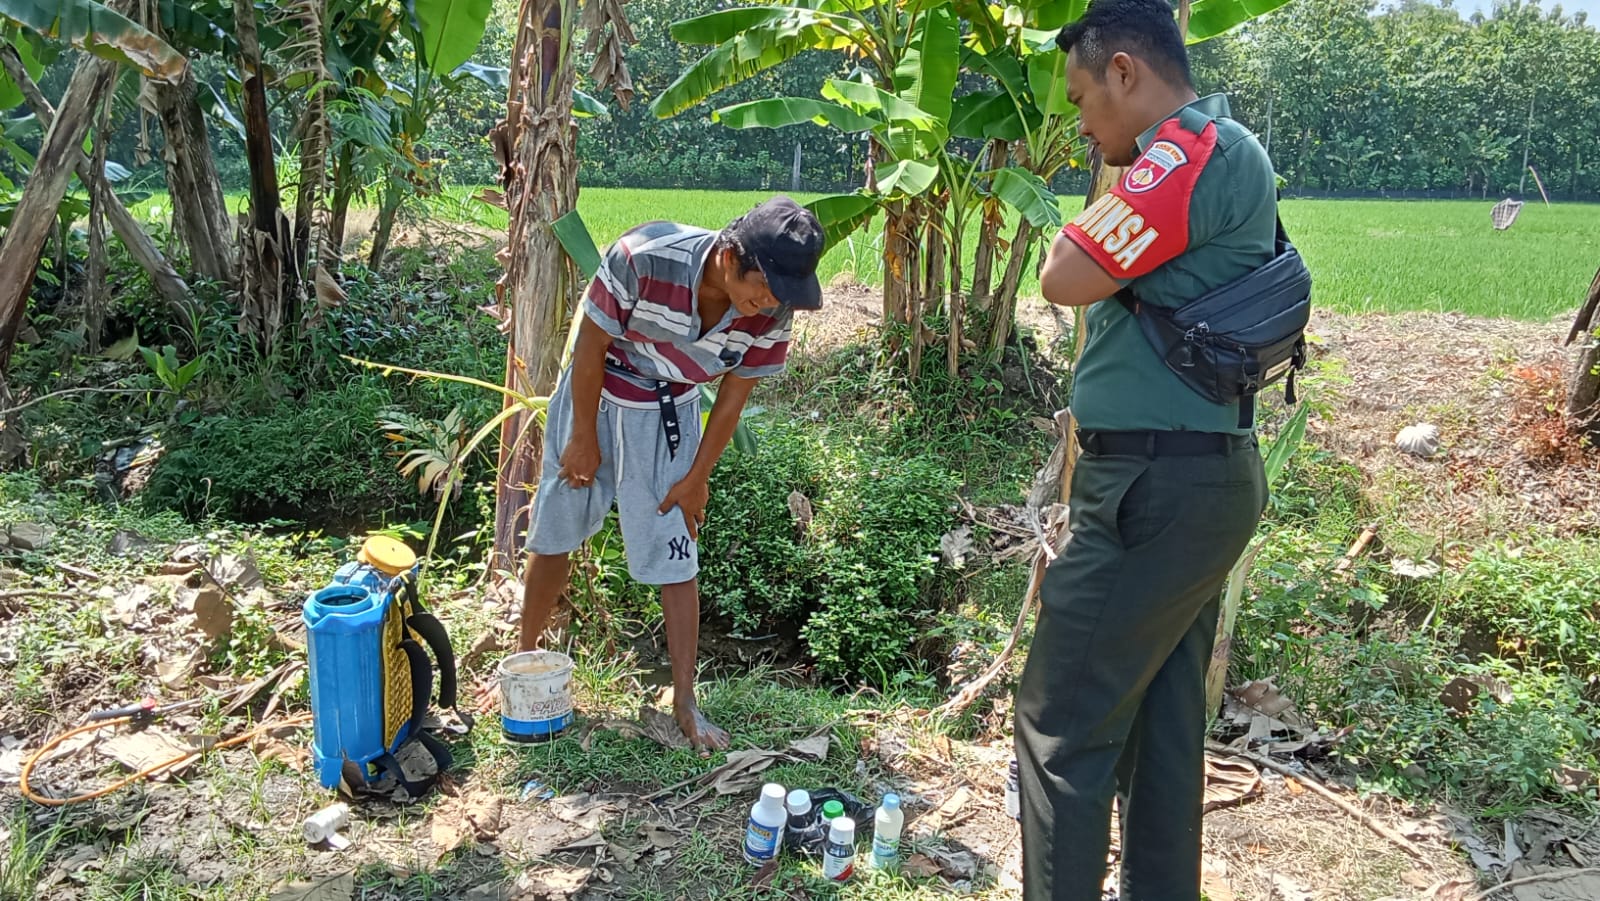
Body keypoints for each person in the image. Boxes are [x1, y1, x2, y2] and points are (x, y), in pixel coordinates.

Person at [1017, 0, 1275, 898]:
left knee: (1059, 727)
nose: (1085, 124)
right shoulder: (1215, 153)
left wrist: (1101, 201)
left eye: (1087, 97)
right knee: (1162, 722)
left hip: (1153, 489)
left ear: (1126, 70)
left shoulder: (1186, 151)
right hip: (1194, 482)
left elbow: (1064, 275)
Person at [517, 196, 825, 751]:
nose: (770, 303)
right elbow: (589, 348)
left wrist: (697, 476)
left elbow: (731, 399)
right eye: (764, 287)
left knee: (677, 552)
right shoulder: (643, 256)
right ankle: (524, 663)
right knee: (555, 531)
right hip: (596, 394)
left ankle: (685, 702)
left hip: (668, 415)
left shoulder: (775, 310)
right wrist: (583, 436)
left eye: (782, 294)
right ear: (730, 258)